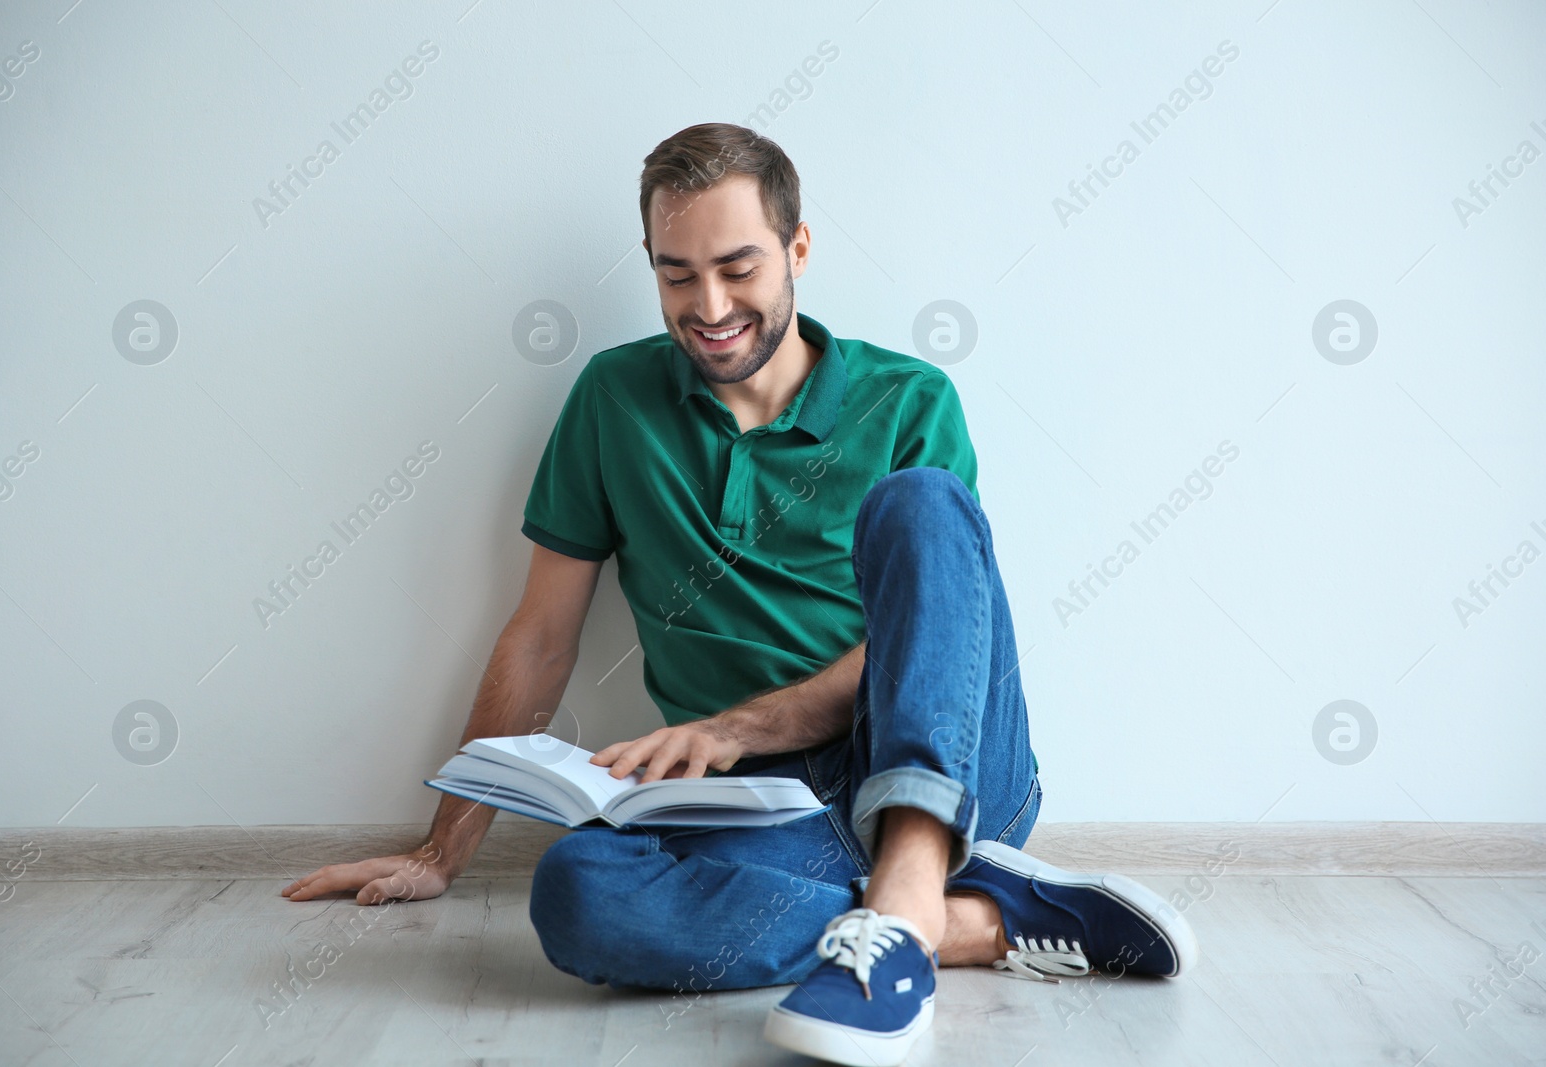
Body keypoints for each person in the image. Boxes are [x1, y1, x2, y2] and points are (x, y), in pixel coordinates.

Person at [282, 122, 1197, 1066]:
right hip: (760, 812)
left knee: (925, 503)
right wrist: (442, 852)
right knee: (575, 891)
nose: (709, 305)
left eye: (738, 266)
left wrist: (733, 726)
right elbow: (541, 637)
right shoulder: (613, 399)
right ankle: (964, 924)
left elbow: (936, 641)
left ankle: (917, 876)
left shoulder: (911, 399)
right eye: (676, 274)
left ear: (799, 249)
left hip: (942, 766)